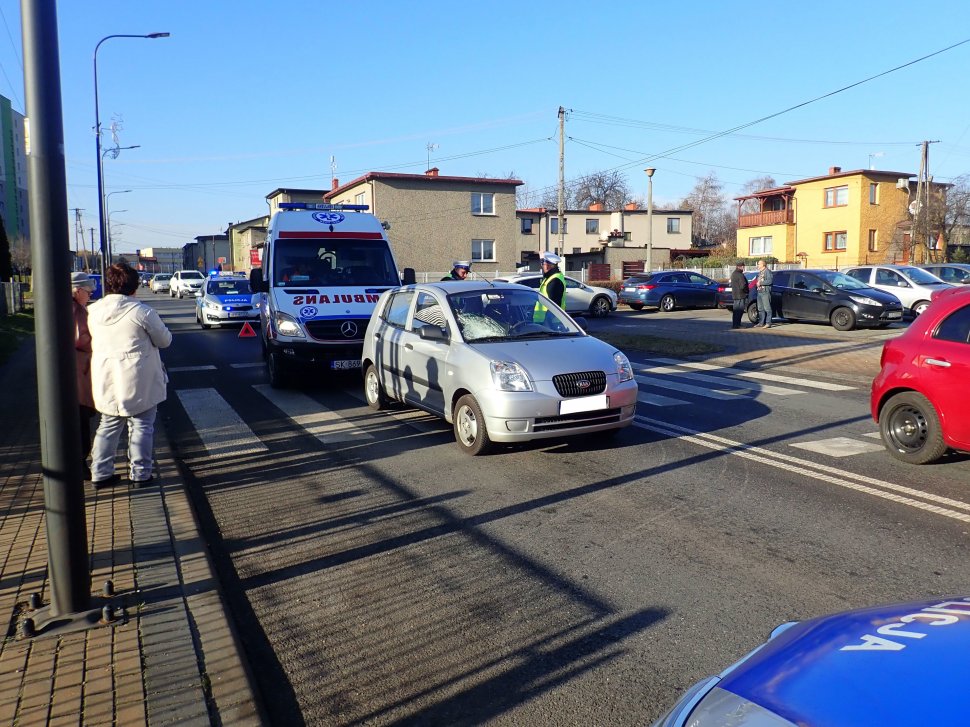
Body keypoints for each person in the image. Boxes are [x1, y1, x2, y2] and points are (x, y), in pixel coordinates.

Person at [87, 263, 172, 487]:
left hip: (106, 377)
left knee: (107, 425)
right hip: (138, 378)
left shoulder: (93, 311)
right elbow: (164, 340)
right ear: (134, 287)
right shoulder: (141, 312)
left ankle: (100, 473)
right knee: (142, 426)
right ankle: (141, 474)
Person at [71, 272, 97, 480]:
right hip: (78, 373)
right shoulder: (76, 309)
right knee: (80, 421)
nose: (90, 295)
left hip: (73, 374)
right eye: (88, 292)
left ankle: (78, 463)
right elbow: (82, 339)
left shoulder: (67, 306)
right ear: (77, 290)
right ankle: (79, 465)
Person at [533, 251, 566, 324]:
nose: (542, 266)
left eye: (543, 264)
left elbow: (554, 306)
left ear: (548, 266)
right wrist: (541, 258)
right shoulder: (550, 277)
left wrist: (547, 323)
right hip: (544, 322)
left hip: (549, 324)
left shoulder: (555, 281)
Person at [729, 261, 750, 330]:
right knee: (739, 311)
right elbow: (743, 285)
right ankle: (737, 325)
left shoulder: (733, 274)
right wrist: (746, 291)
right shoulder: (740, 275)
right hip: (741, 295)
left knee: (735, 311)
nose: (744, 268)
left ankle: (735, 324)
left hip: (735, 295)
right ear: (739, 267)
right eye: (743, 266)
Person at [756, 259, 775, 328]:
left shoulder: (767, 272)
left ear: (763, 264)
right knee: (760, 308)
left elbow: (770, 281)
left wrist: (760, 283)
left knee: (767, 308)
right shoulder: (760, 272)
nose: (758, 265)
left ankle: (768, 323)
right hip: (759, 292)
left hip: (765, 292)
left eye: (759, 264)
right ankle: (761, 322)